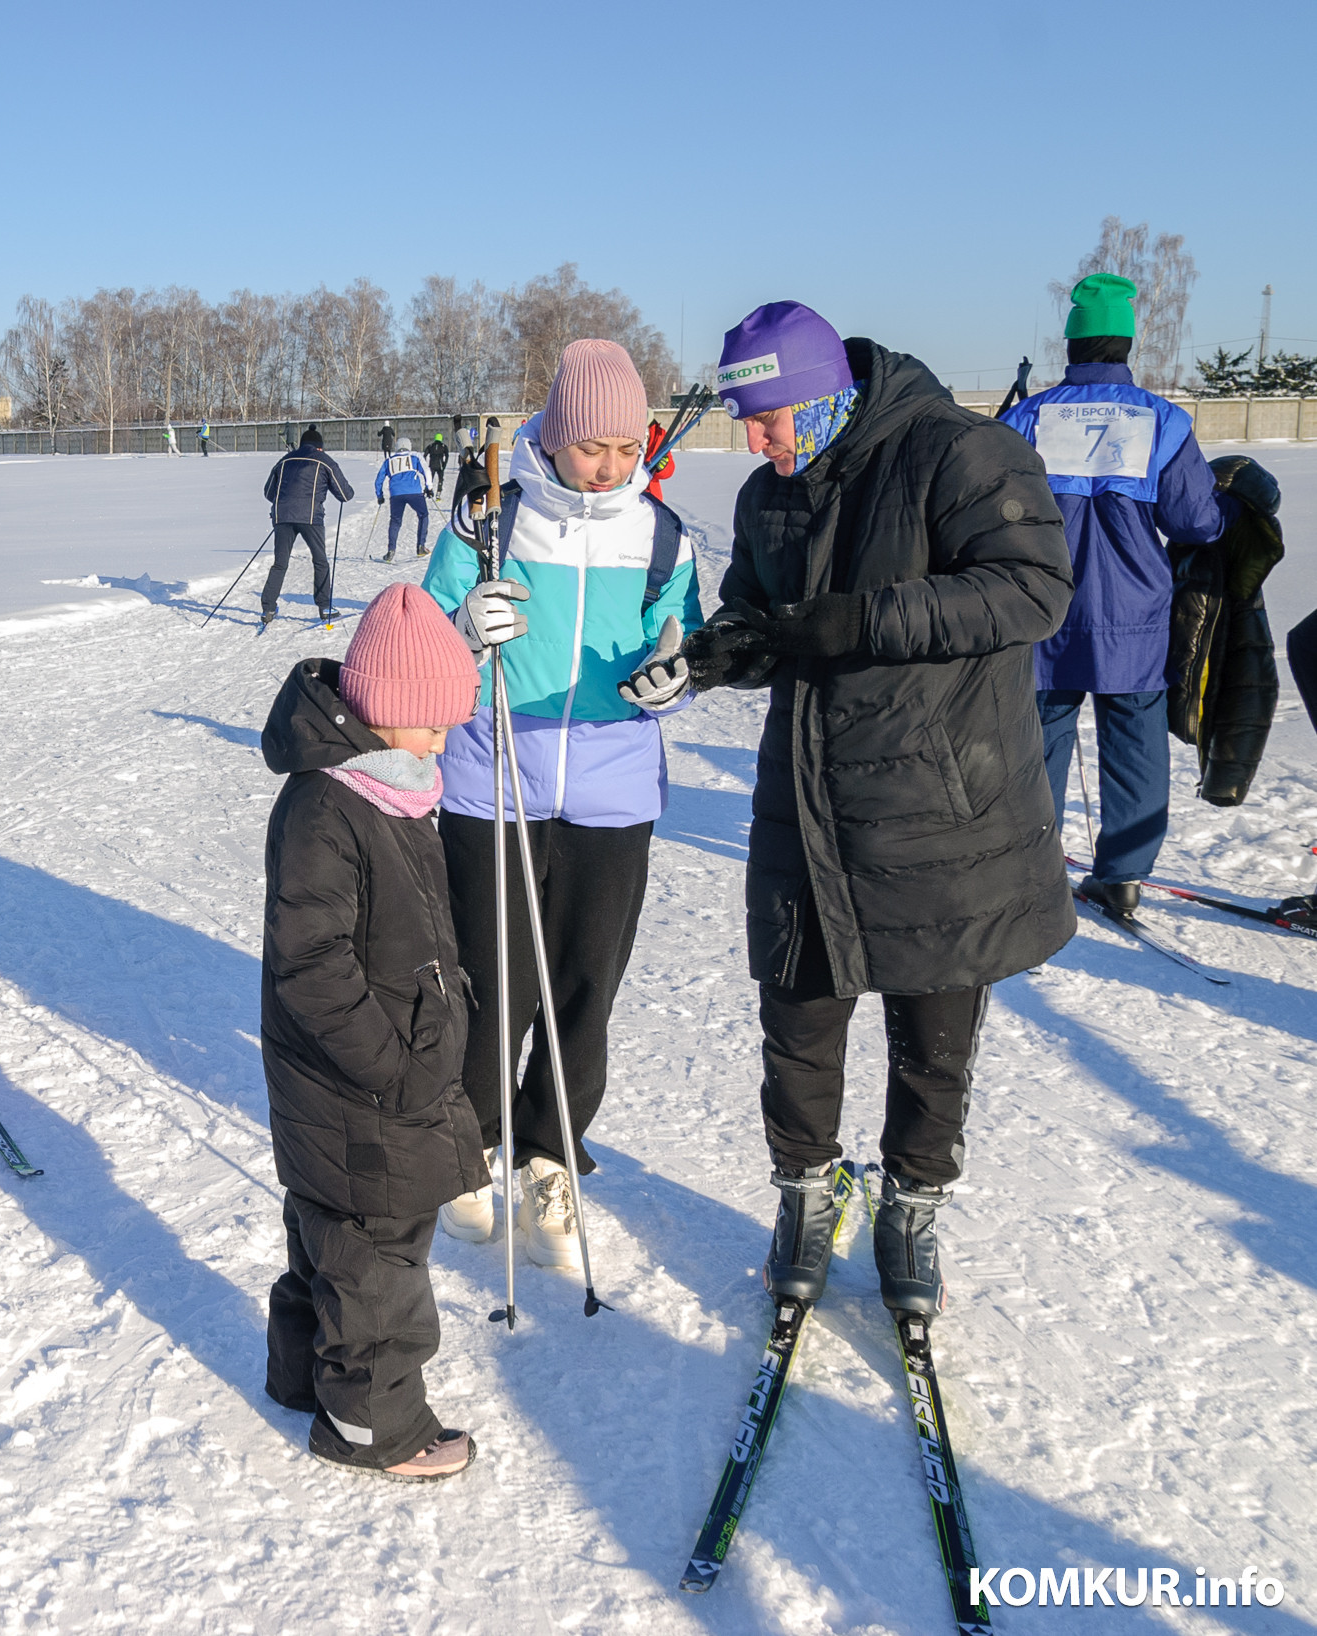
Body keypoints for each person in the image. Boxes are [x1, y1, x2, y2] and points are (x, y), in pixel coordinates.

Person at [682, 300, 1073, 1316]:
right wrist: (724, 651)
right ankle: (804, 1194)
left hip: (937, 806)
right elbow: (760, 615)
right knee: (796, 1020)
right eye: (745, 422)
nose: (754, 443)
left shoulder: (959, 453)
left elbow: (1032, 588)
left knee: (932, 1034)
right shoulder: (769, 496)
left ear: (822, 398)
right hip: (808, 803)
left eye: (767, 419)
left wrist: (863, 620)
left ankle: (910, 1205)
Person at [420, 340, 702, 1263]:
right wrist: (464, 633)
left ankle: (550, 1154)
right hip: (494, 779)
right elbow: (427, 645)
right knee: (487, 979)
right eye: (591, 447)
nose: (610, 466)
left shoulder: (662, 536)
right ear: (553, 435)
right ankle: (470, 1146)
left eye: (625, 448)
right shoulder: (488, 523)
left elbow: (684, 638)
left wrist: (675, 675)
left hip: (614, 790)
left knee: (584, 985)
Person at [259, 582, 488, 1482]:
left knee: (333, 1235)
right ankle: (373, 1428)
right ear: (380, 708)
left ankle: (301, 1380)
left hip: (368, 1075)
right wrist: (392, 1067)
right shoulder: (329, 807)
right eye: (428, 723)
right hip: (358, 1082)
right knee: (376, 1256)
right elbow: (311, 965)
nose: (440, 741)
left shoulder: (387, 787)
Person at [1000, 273, 1235, 918]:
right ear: (1127, 343)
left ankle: (1034, 868)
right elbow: (1194, 522)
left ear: (1070, 344)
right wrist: (1230, 514)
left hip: (1045, 603)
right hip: (1135, 609)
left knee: (1040, 735)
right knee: (1136, 736)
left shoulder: (1028, 417)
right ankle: (1124, 874)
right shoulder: (1163, 419)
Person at [260, 426, 354, 626]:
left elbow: (268, 492)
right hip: (311, 517)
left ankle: (268, 608)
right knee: (320, 561)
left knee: (280, 563)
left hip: (282, 517)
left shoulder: (284, 460)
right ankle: (325, 607)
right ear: (319, 446)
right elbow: (345, 494)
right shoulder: (324, 460)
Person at [375, 437, 433, 561]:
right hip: (414, 493)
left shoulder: (389, 461)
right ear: (409, 447)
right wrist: (429, 487)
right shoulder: (414, 457)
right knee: (423, 515)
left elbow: (378, 480)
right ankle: (421, 546)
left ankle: (391, 550)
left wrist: (380, 496)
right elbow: (426, 471)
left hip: (396, 494)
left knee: (395, 521)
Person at [425, 432, 450, 503]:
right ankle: (438, 494)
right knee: (440, 479)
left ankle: (428, 491)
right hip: (440, 465)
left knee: (430, 479)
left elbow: (425, 454)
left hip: (432, 465)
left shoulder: (430, 445)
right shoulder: (443, 446)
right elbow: (447, 455)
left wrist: (425, 464)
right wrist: (444, 464)